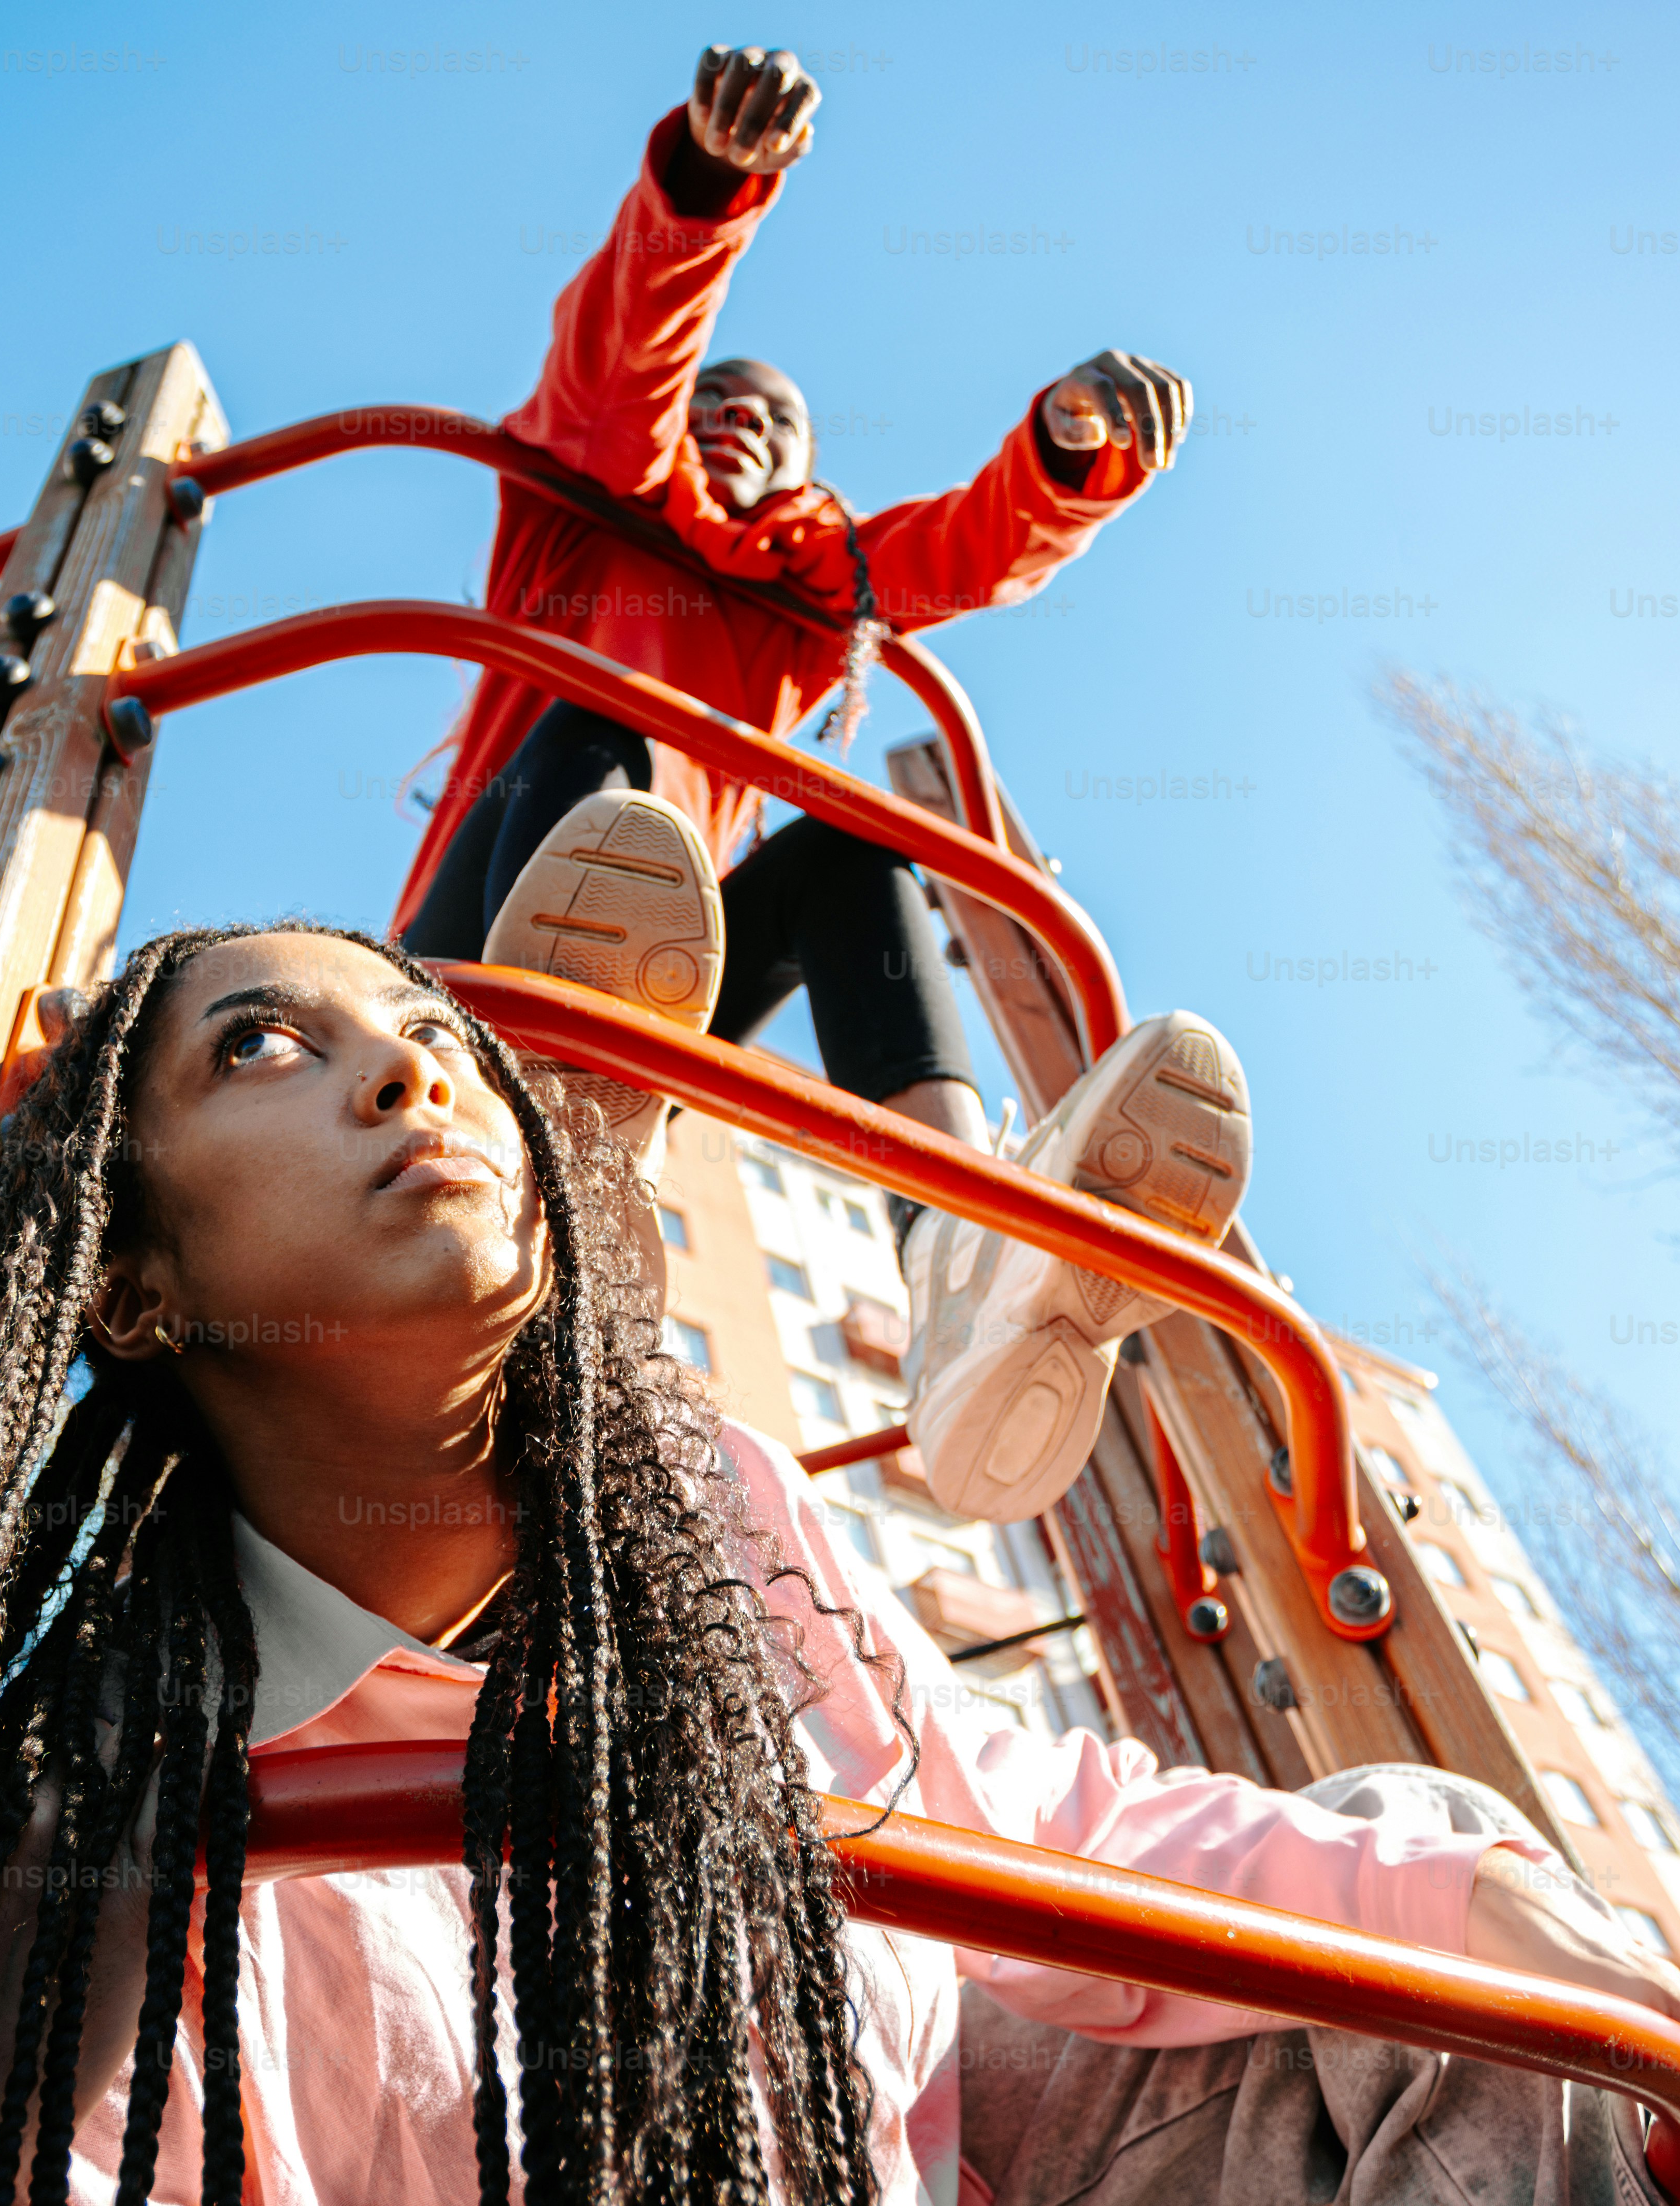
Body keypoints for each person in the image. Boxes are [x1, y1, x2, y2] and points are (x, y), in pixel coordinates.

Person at [0, 924, 1680, 2206]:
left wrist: (1522, 1933)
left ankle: (941, 1225)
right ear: (133, 1277)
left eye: (443, 1042)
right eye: (271, 1048)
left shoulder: (706, 1508)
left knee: (1423, 1907)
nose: (408, 1079)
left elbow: (1023, 1817)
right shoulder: (116, 1850)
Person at [393, 43, 1247, 1526]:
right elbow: (616, 377)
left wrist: (1062, 455)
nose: (745, 420)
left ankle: (958, 1247)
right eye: (722, 401)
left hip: (654, 982)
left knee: (857, 848)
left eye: (779, 420)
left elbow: (955, 551)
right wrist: (706, 191)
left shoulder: (800, 606)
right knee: (603, 728)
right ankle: (534, 1075)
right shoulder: (583, 513)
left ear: (806, 474)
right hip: (470, 960)